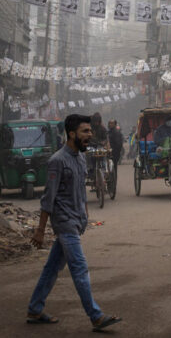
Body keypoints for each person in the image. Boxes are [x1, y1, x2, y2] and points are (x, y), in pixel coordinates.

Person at [27, 114, 122, 332]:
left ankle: (34, 308)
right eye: (85, 131)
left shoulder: (81, 158)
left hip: (76, 220)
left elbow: (80, 191)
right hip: (64, 222)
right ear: (72, 134)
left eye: (90, 131)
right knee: (79, 267)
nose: (90, 135)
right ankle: (96, 316)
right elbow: (48, 199)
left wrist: (85, 215)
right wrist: (40, 230)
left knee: (52, 267)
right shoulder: (56, 161)